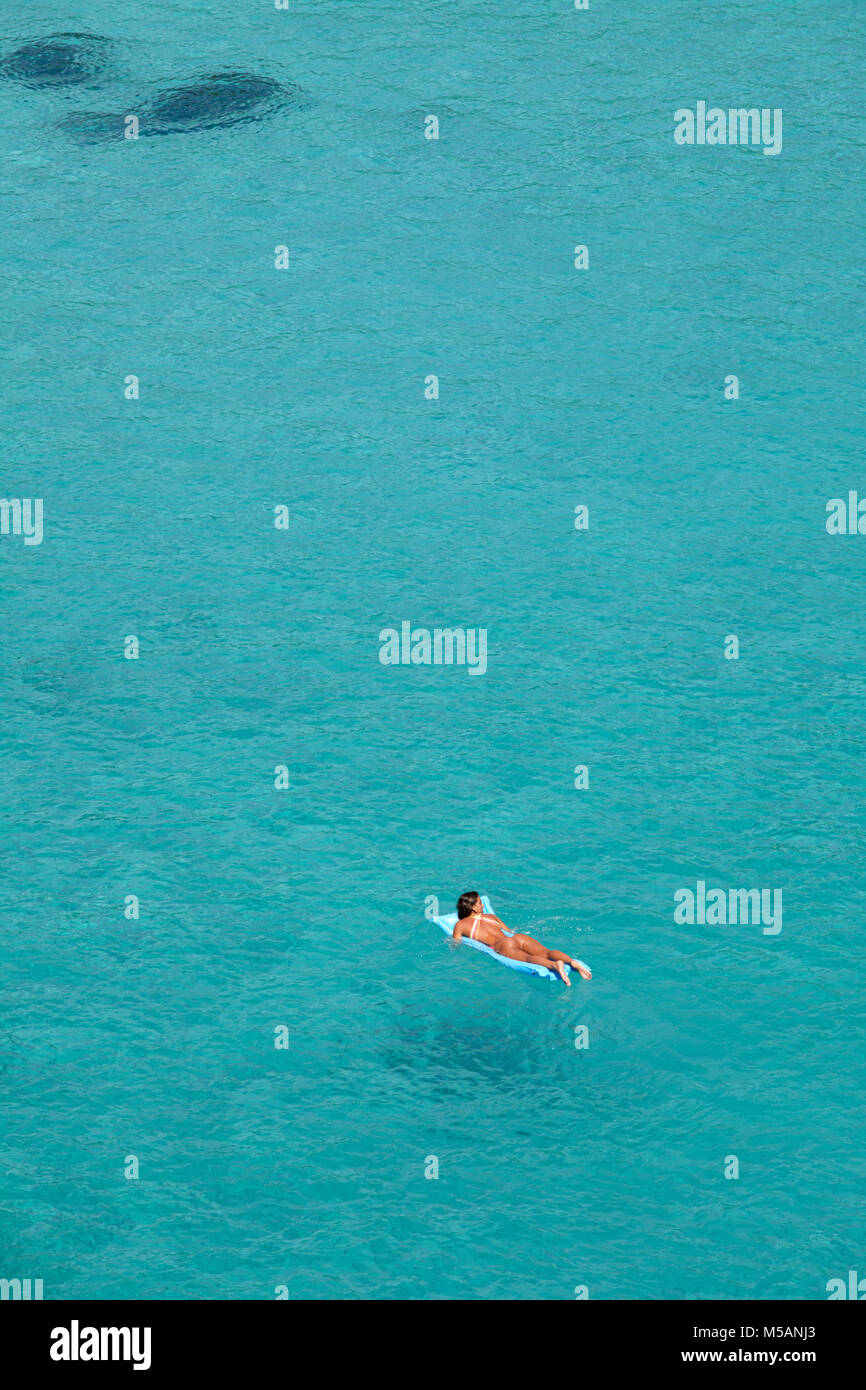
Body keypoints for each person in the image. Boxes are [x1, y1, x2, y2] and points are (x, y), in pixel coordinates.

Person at [452, 891, 591, 986]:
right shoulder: (491, 917)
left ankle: (555, 965)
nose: (483, 905)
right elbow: (509, 932)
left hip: (503, 945)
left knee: (527, 959)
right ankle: (571, 962)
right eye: (480, 903)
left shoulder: (460, 924)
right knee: (546, 952)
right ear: (474, 907)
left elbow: (456, 943)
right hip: (518, 938)